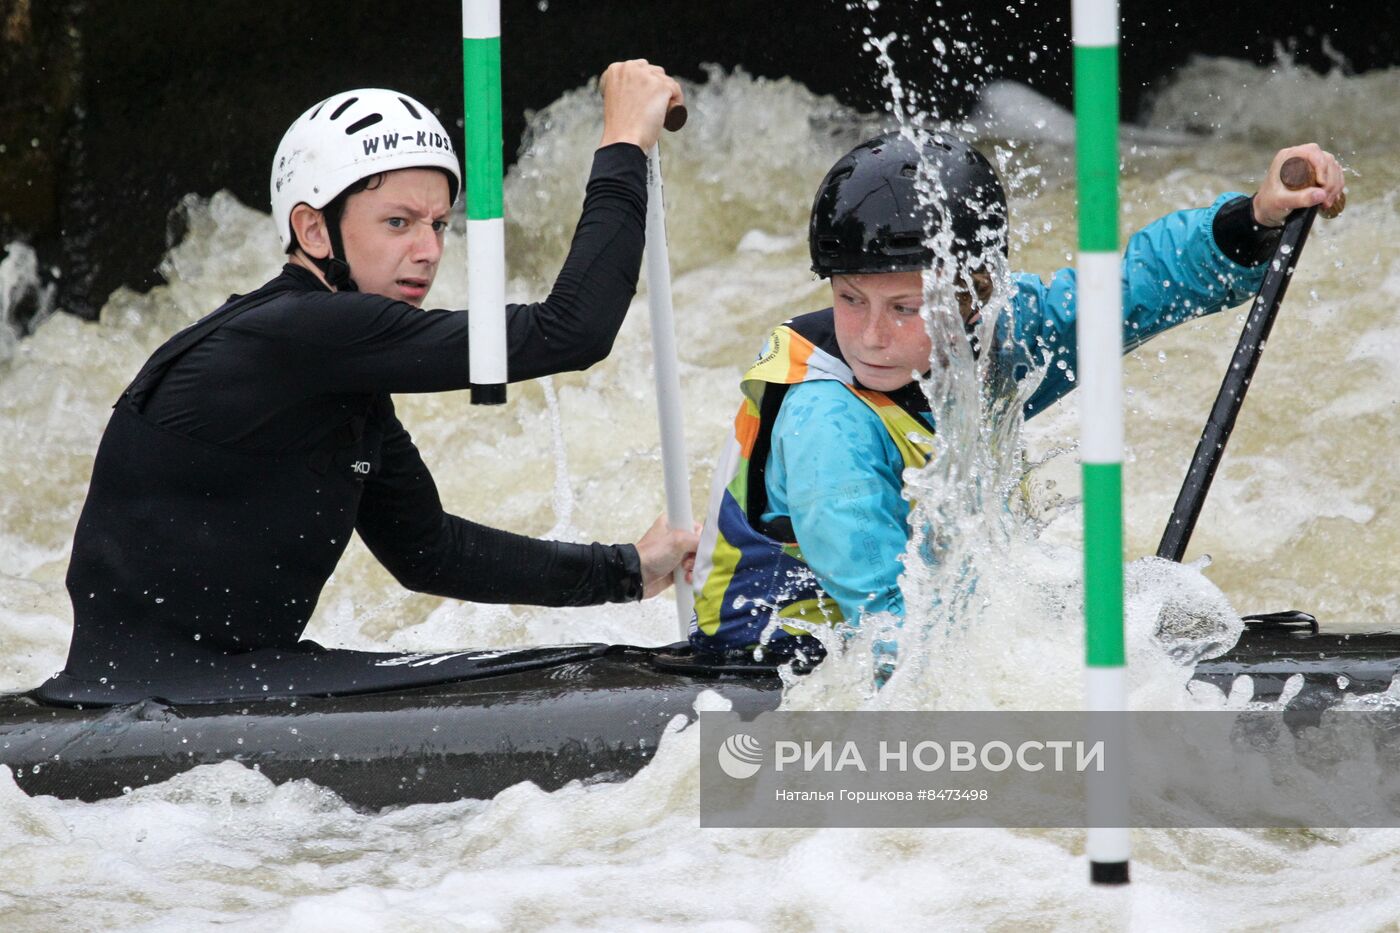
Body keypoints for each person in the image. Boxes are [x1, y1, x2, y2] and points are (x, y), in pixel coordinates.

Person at [49, 61, 697, 693]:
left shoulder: (322, 371)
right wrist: (622, 143)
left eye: (438, 224)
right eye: (398, 222)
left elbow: (426, 550)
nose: (428, 249)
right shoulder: (297, 334)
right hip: (155, 698)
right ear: (312, 228)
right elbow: (571, 331)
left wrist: (630, 571)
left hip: (207, 683)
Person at [689, 130, 1344, 660]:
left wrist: (1255, 219)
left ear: (975, 293)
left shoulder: (996, 337)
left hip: (919, 623)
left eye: (905, 307)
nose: (871, 336)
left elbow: (1130, 293)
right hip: (786, 654)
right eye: (850, 299)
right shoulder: (824, 422)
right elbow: (889, 631)